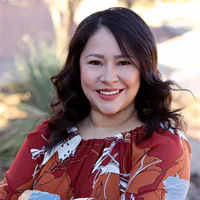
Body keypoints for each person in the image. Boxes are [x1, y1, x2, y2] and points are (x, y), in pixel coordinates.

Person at [0, 7, 191, 200]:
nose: (109, 78)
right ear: (78, 67)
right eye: (95, 62)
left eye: (124, 62)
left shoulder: (164, 145)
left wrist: (34, 197)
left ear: (144, 68)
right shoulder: (47, 135)